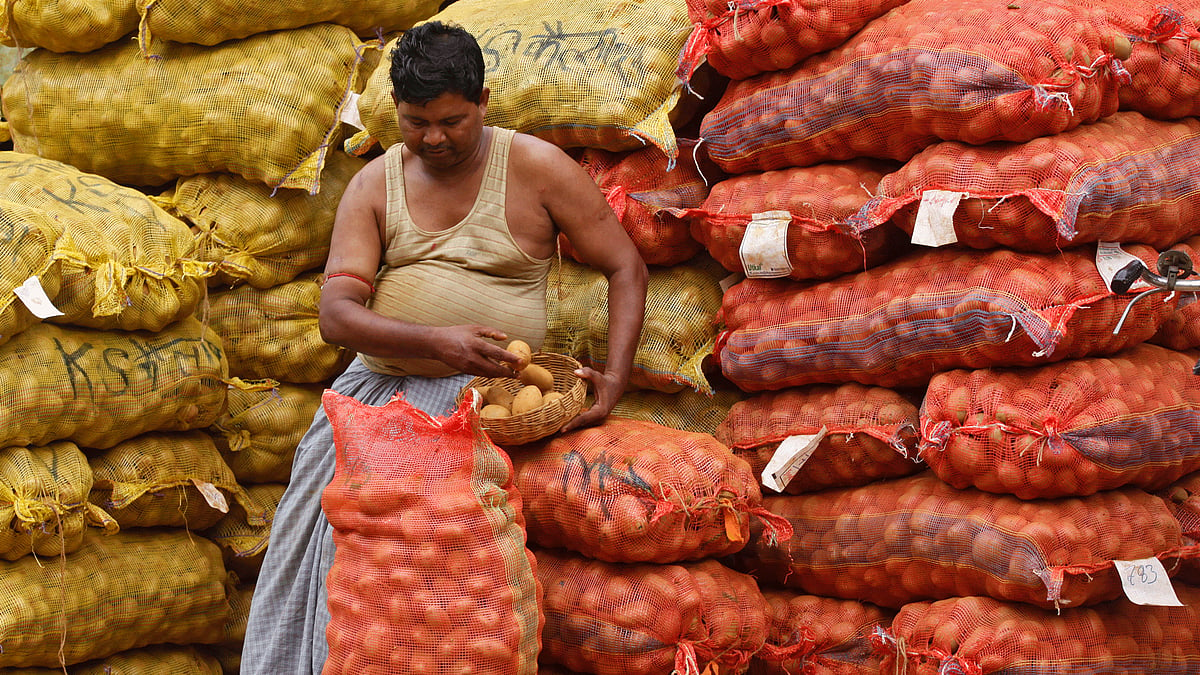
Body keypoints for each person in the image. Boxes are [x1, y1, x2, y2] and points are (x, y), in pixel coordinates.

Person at [240, 20, 648, 675]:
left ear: (484, 101)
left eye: (452, 121)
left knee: (443, 594)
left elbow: (626, 266)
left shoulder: (536, 169)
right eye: (414, 121)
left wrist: (617, 378)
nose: (433, 138)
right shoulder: (375, 184)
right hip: (374, 399)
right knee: (324, 565)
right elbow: (337, 317)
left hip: (483, 407)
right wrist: (438, 342)